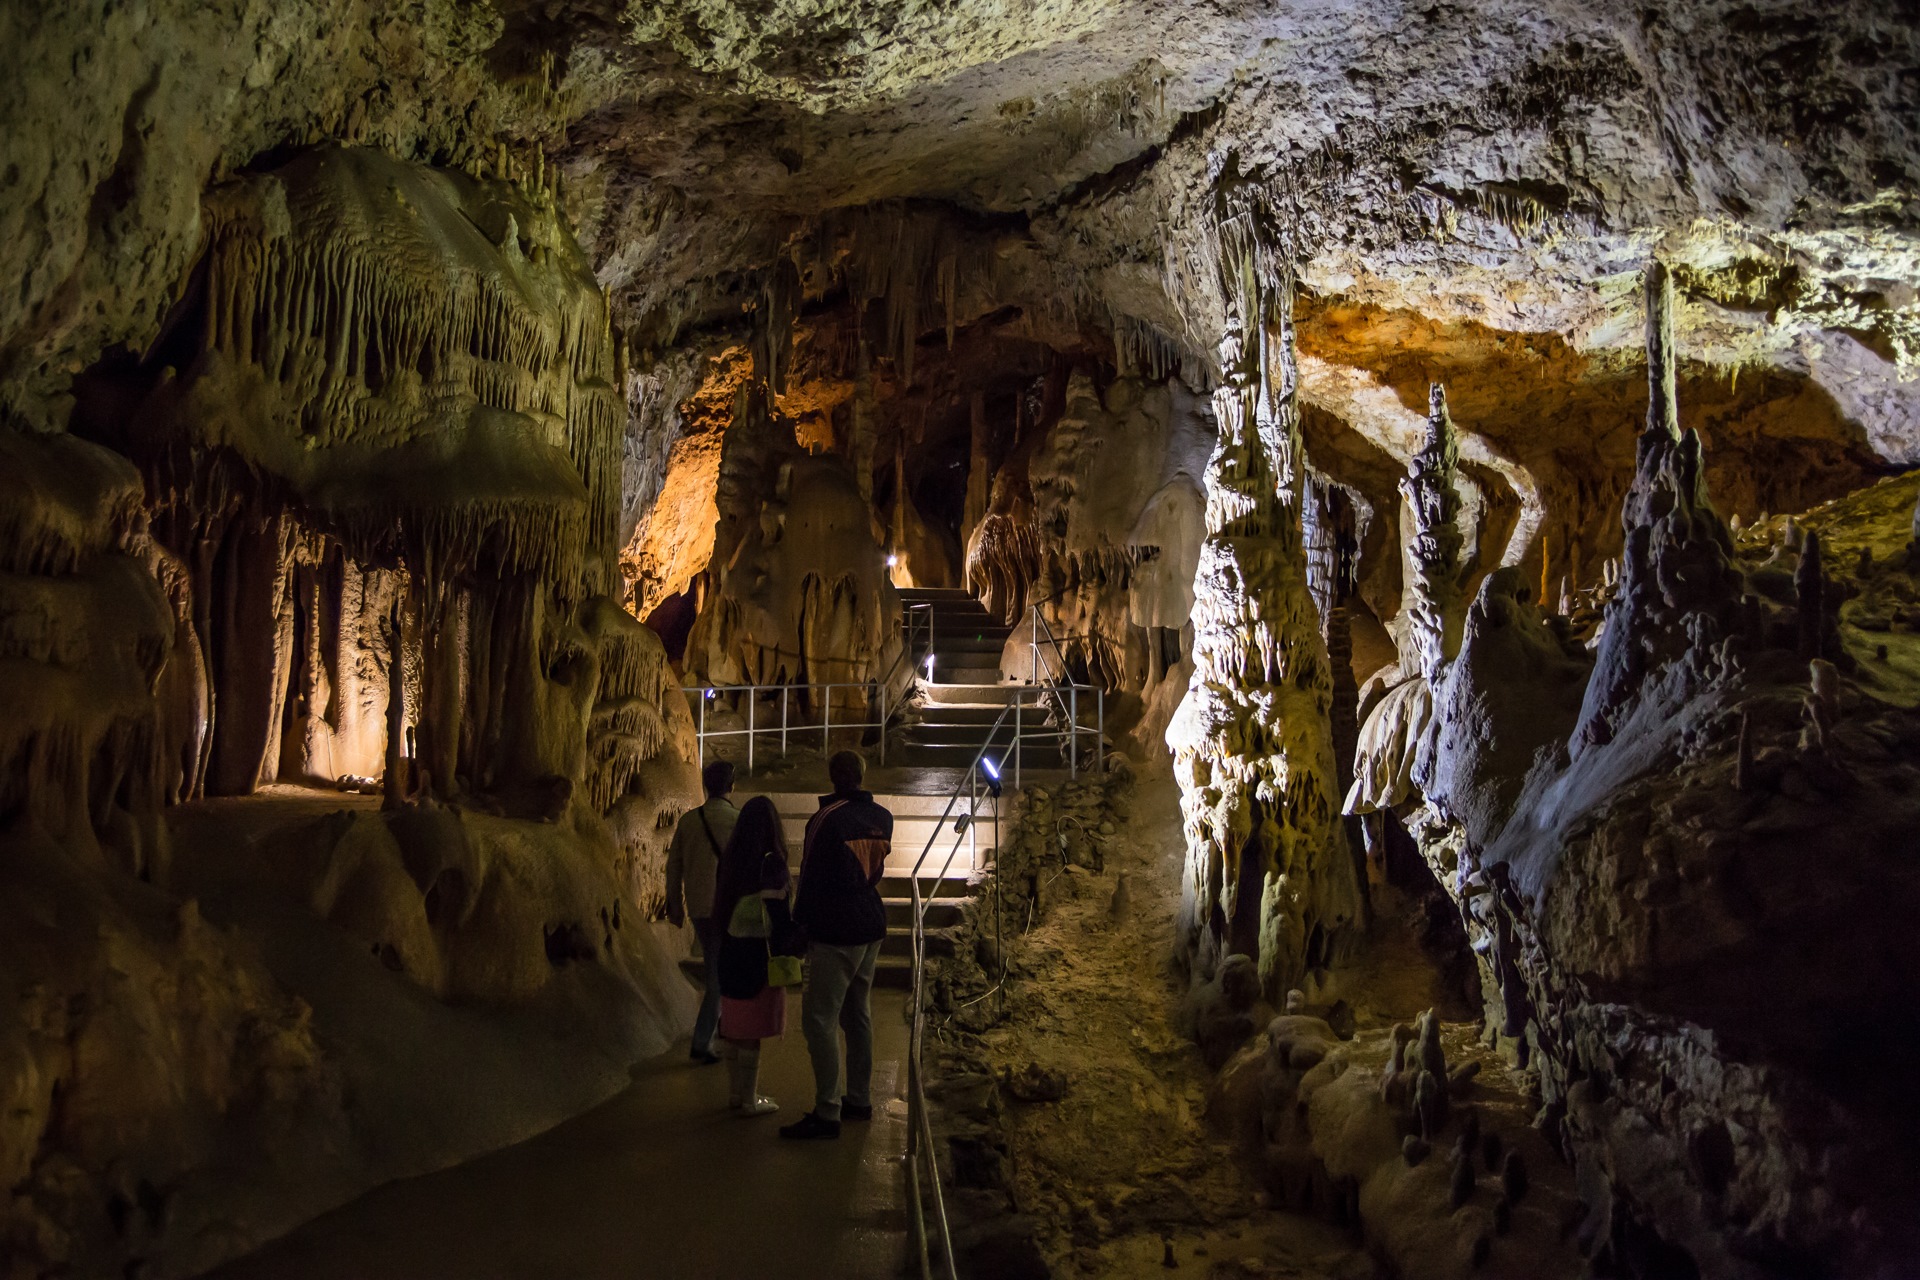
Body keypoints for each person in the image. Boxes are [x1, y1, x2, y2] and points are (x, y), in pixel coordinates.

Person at [780, 750, 893, 1141]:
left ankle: (828, 1110)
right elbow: (873, 870)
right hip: (870, 923)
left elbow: (809, 876)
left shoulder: (827, 818)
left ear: (834, 777)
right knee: (858, 1014)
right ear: (861, 776)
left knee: (819, 1019)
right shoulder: (882, 817)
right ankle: (859, 1099)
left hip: (836, 928)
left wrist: (798, 925)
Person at [710, 796, 798, 1117]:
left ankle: (735, 1094)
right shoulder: (770, 862)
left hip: (731, 951)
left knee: (733, 1026)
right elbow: (778, 914)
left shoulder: (730, 859)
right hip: (759, 955)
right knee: (752, 1031)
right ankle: (749, 1099)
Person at [665, 760, 739, 1065]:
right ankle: (703, 1039)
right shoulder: (737, 820)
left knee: (715, 966)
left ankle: (721, 1026)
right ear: (732, 786)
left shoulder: (688, 821)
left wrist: (674, 903)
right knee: (720, 974)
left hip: (698, 905)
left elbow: (674, 866)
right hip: (729, 908)